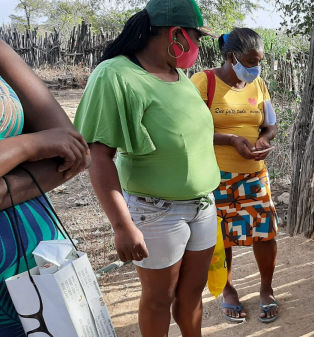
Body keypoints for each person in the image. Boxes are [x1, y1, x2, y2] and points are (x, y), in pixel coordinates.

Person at [73, 0, 221, 335]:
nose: (198, 47)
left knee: (191, 296)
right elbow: (97, 156)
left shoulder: (177, 75)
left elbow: (186, 136)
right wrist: (121, 225)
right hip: (157, 213)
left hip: (203, 206)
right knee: (159, 299)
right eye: (197, 37)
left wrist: (231, 141)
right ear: (177, 34)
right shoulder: (115, 75)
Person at [0, 39, 90, 336]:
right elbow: (50, 142)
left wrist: (4, 188)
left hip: (40, 261)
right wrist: (29, 144)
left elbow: (73, 151)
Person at [190, 28, 279, 324]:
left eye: (259, 62)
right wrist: (230, 140)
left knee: (265, 233)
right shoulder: (204, 82)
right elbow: (191, 129)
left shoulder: (259, 85)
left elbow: (270, 124)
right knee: (222, 238)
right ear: (231, 57)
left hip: (255, 176)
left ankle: (266, 290)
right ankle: (228, 291)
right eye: (250, 61)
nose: (256, 68)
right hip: (216, 177)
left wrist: (264, 140)